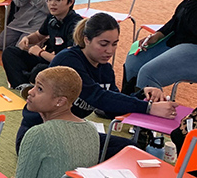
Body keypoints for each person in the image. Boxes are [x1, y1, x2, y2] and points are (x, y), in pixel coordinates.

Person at [16, 13, 179, 159]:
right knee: (95, 160)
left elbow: (110, 108)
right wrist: (149, 108)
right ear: (86, 40)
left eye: (115, 44)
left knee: (129, 150)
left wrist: (143, 94)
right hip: (37, 134)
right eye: (103, 44)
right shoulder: (69, 60)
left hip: (70, 133)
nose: (110, 50)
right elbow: (97, 96)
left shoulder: (105, 69)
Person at [2, 0, 83, 92]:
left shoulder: (75, 25)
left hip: (65, 68)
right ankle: (23, 86)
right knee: (10, 52)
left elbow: (67, 61)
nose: (52, 3)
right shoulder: (52, 17)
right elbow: (39, 35)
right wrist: (27, 39)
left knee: (39, 71)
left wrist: (40, 52)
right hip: (51, 60)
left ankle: (30, 81)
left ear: (70, 2)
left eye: (58, 0)